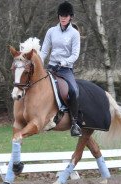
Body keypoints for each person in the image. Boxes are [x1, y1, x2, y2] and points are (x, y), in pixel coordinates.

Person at [39, 1, 82, 137]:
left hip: (65, 69)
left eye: (66, 15)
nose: (63, 18)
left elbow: (75, 55)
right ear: (58, 16)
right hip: (51, 68)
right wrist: (37, 62)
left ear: (70, 17)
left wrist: (63, 62)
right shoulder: (51, 31)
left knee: (74, 90)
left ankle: (74, 124)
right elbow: (44, 51)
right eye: (61, 15)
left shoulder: (74, 34)